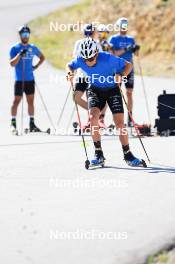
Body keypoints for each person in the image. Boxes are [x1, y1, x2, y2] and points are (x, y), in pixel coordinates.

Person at [66, 38, 145, 167]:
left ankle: (128, 154)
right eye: (86, 60)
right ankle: (98, 154)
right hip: (95, 89)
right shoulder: (81, 59)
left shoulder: (108, 58)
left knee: (119, 123)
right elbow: (69, 65)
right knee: (93, 117)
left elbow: (128, 65)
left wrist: (121, 74)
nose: (88, 62)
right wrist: (69, 73)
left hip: (112, 89)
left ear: (96, 53)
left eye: (91, 59)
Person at [10, 25, 45, 133]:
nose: (25, 36)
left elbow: (42, 57)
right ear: (20, 35)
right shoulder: (15, 48)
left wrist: (36, 66)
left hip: (30, 79)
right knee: (16, 101)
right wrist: (19, 55)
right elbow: (12, 63)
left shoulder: (33, 47)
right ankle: (13, 123)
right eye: (23, 34)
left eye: (27, 34)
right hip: (20, 80)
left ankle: (32, 123)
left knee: (31, 101)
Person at [73, 23, 107, 129]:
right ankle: (94, 114)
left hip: (92, 76)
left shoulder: (96, 43)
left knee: (90, 98)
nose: (88, 34)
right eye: (86, 33)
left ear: (94, 33)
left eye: (91, 33)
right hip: (81, 75)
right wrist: (72, 73)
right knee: (76, 98)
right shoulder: (78, 43)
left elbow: (101, 59)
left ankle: (93, 119)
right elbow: (74, 58)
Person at [108, 17, 140, 127]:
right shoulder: (113, 39)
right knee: (116, 93)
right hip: (118, 69)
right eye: (122, 26)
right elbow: (113, 54)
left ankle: (130, 117)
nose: (124, 28)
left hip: (129, 68)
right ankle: (116, 118)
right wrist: (126, 49)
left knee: (129, 92)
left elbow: (136, 55)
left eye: (126, 26)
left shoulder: (131, 39)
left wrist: (136, 49)